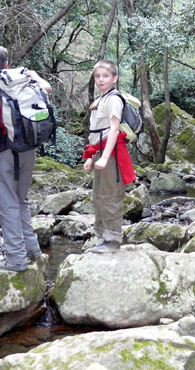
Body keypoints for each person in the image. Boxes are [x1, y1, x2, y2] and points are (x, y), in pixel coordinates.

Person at [0, 45, 51, 272]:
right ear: (7, 65)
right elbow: (47, 88)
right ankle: (32, 249)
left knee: (7, 204)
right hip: (28, 148)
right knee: (21, 200)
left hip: (4, 152)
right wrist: (34, 75)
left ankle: (16, 259)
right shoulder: (23, 84)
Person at [82, 60, 137, 253]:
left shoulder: (113, 99)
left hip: (111, 153)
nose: (101, 80)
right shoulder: (99, 100)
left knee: (110, 196)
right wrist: (91, 157)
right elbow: (95, 132)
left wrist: (104, 158)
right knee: (98, 196)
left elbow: (113, 130)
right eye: (98, 76)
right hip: (99, 151)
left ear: (115, 78)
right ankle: (101, 238)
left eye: (105, 76)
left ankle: (112, 240)